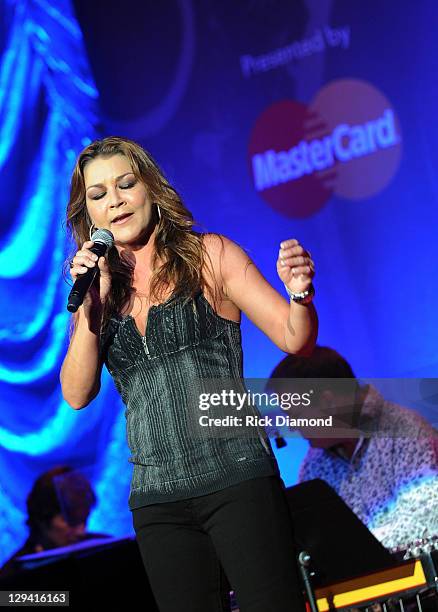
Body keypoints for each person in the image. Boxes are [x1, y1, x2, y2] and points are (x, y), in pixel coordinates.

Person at [59, 136, 318, 612]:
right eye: (97, 194)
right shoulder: (97, 291)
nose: (114, 200)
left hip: (237, 480)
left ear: (151, 189)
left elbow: (293, 337)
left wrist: (299, 295)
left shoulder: (211, 256)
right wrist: (91, 308)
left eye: (125, 184)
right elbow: (76, 394)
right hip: (158, 502)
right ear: (88, 214)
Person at [268, 346, 438, 551]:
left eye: (295, 415)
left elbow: (427, 524)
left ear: (328, 401)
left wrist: (349, 550)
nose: (293, 426)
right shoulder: (312, 465)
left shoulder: (407, 433)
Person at [0, 465, 109, 578]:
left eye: (84, 519)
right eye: (70, 520)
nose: (81, 531)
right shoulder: (12, 577)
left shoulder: (107, 551)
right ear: (42, 520)